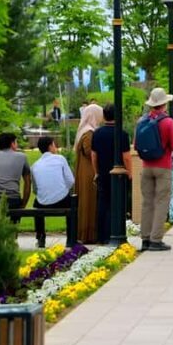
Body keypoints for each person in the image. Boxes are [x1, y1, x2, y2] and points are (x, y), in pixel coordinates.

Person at [137, 87, 173, 251]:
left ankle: (145, 239)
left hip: (146, 166)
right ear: (164, 104)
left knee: (147, 203)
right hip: (163, 167)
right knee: (161, 202)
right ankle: (156, 239)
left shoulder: (142, 121)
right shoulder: (168, 122)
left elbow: (137, 142)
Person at [91, 103, 132, 244]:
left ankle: (102, 236)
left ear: (104, 116)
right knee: (118, 204)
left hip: (102, 172)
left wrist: (96, 172)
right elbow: (126, 156)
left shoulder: (97, 133)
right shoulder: (122, 134)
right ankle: (116, 233)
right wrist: (130, 172)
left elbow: (94, 155)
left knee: (103, 203)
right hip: (119, 175)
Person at [31, 136, 75, 248]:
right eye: (54, 144)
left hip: (42, 203)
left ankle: (40, 237)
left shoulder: (35, 165)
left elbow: (35, 189)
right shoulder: (60, 159)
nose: (55, 147)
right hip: (62, 200)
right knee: (73, 204)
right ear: (50, 146)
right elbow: (71, 181)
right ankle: (70, 239)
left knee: (35, 205)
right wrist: (63, 190)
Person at [0, 133, 31, 221]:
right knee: (12, 229)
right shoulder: (22, 157)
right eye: (16, 142)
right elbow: (28, 182)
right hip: (13, 199)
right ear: (12, 144)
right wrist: (24, 204)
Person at [74, 103, 103, 244]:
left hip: (84, 171)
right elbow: (89, 151)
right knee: (89, 202)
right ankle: (89, 234)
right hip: (89, 172)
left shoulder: (84, 131)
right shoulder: (89, 133)